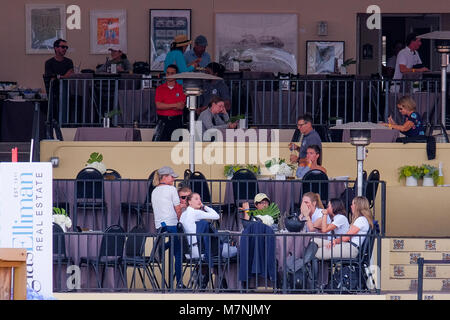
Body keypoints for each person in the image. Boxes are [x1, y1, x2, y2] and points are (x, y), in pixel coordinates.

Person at [150, 166, 184, 288]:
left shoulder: (154, 191)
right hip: (171, 223)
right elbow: (178, 208)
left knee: (174, 243)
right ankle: (179, 283)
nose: (173, 179)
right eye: (171, 176)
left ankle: (161, 247)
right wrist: (180, 220)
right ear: (164, 177)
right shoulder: (171, 190)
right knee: (178, 253)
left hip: (160, 225)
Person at [314, 196, 373, 260]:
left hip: (350, 248)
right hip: (347, 246)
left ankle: (306, 268)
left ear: (357, 206)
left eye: (352, 204)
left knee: (318, 253)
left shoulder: (361, 220)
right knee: (313, 241)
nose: (351, 206)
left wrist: (335, 241)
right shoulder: (361, 220)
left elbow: (345, 238)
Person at [179, 192, 220, 259]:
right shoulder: (195, 212)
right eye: (196, 199)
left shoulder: (184, 214)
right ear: (189, 202)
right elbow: (217, 216)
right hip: (197, 251)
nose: (199, 201)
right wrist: (204, 206)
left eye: (200, 199)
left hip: (187, 251)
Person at [44, 39, 74, 126]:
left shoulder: (69, 61)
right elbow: (50, 77)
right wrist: (62, 77)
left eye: (66, 47)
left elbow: (70, 73)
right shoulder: (49, 63)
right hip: (54, 92)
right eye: (63, 47)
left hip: (67, 92)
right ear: (56, 48)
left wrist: (59, 76)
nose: (65, 49)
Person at [154, 64, 186, 141]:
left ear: (177, 75)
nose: (169, 75)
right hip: (162, 121)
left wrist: (165, 105)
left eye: (172, 73)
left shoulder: (181, 88)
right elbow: (158, 105)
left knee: (177, 146)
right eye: (168, 73)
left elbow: (181, 106)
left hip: (176, 121)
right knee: (160, 147)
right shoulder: (160, 88)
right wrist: (175, 105)